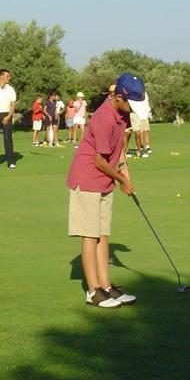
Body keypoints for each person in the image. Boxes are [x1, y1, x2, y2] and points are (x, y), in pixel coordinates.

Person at [66, 72, 151, 308]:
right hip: (88, 178)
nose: (133, 109)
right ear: (119, 97)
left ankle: (106, 286)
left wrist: (127, 174)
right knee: (90, 234)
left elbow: (119, 151)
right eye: (130, 104)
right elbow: (100, 161)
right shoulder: (104, 118)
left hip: (104, 180)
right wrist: (122, 180)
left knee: (103, 234)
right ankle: (93, 291)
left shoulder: (121, 114)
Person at [131, 89, 152, 157]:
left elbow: (147, 102)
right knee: (140, 132)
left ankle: (147, 146)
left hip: (145, 113)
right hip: (138, 115)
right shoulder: (133, 94)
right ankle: (141, 147)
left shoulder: (145, 93)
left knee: (146, 130)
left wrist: (149, 111)